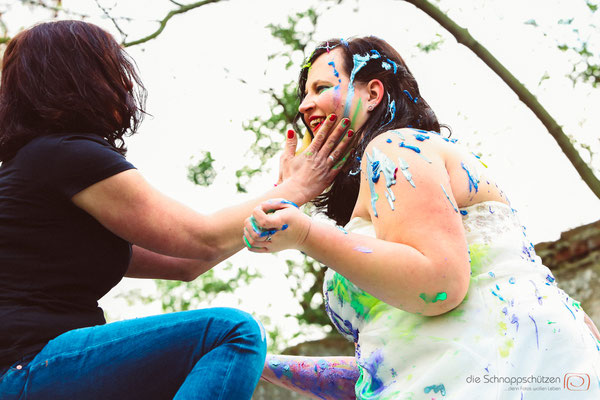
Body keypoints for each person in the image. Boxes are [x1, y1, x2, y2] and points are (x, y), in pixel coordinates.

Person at [0, 21, 354, 400]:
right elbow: (199, 239)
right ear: (83, 77)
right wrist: (298, 187)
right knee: (232, 333)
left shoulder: (39, 173)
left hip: (33, 370)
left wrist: (282, 195)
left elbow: (189, 263)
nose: (124, 83)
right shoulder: (66, 154)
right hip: (28, 367)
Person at [244, 36, 600, 399]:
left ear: (372, 94)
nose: (305, 105)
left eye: (321, 87)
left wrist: (306, 235)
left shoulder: (397, 148)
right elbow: (396, 368)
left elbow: (438, 284)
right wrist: (258, 362)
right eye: (305, 94)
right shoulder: (384, 179)